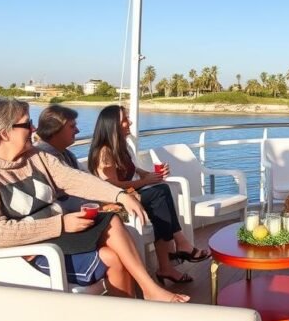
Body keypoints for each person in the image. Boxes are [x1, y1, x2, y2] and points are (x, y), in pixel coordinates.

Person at [0, 97, 188, 303]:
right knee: (110, 246)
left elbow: (74, 179)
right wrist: (61, 224)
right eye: (27, 124)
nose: (34, 128)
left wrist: (118, 196)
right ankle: (146, 293)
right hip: (29, 249)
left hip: (58, 237)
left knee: (110, 232)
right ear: (4, 133)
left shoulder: (34, 156)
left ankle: (139, 300)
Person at [88, 104, 210, 285]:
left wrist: (151, 175)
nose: (129, 122)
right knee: (159, 194)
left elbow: (132, 169)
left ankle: (169, 263)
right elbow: (112, 186)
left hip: (131, 197)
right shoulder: (105, 152)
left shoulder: (120, 147)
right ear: (113, 124)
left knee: (161, 198)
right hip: (116, 205)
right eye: (124, 120)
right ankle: (176, 250)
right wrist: (144, 182)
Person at [34, 104, 82, 170]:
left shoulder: (65, 154)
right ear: (54, 129)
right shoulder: (43, 158)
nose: (77, 131)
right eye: (72, 126)